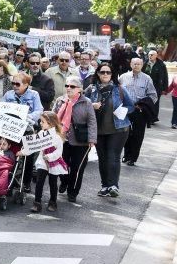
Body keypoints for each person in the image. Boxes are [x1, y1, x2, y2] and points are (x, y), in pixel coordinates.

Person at [86, 63, 135, 198]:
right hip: (98, 130)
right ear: (98, 74)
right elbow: (82, 106)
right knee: (102, 159)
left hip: (119, 129)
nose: (105, 74)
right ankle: (105, 186)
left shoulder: (119, 89)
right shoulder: (91, 89)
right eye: (103, 72)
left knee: (113, 157)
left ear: (112, 74)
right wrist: (91, 105)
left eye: (108, 72)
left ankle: (113, 186)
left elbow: (131, 106)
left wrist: (122, 111)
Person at [53, 75, 97, 203]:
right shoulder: (60, 100)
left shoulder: (86, 102)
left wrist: (92, 139)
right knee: (61, 164)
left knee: (77, 168)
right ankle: (64, 182)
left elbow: (92, 122)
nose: (69, 88)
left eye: (72, 86)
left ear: (80, 89)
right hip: (62, 139)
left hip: (80, 141)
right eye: (67, 86)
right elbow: (53, 119)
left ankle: (73, 192)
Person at [1, 72, 44, 193]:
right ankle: (9, 179)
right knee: (10, 153)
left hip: (28, 129)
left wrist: (28, 117)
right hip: (12, 128)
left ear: (26, 85)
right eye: (13, 83)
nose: (14, 86)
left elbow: (39, 110)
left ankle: (26, 182)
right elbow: (1, 107)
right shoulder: (8, 94)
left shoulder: (34, 94)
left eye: (17, 84)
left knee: (28, 156)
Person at [21, 111, 68, 213]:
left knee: (53, 183)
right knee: (39, 182)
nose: (40, 123)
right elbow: (33, 146)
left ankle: (53, 202)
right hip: (42, 162)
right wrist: (23, 152)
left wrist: (49, 156)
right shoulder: (41, 134)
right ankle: (37, 203)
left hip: (53, 163)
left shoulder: (57, 137)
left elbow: (59, 152)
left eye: (42, 122)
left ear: (50, 123)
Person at [119, 58, 158, 167]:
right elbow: (117, 92)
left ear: (142, 65)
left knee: (137, 135)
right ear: (131, 64)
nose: (136, 65)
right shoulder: (123, 77)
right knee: (125, 133)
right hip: (126, 110)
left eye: (139, 64)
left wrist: (143, 106)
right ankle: (126, 155)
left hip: (139, 111)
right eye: (134, 63)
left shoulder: (147, 79)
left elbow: (153, 96)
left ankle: (133, 158)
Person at [144, 50, 169, 123]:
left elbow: (165, 77)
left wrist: (165, 88)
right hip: (146, 86)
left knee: (155, 102)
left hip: (157, 87)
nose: (150, 56)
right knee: (146, 101)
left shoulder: (161, 64)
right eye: (149, 55)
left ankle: (153, 118)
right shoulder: (145, 63)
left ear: (156, 56)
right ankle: (146, 117)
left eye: (152, 55)